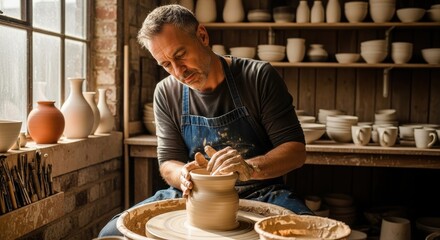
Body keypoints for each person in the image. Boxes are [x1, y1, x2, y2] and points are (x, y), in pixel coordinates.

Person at [98, 4, 313, 237]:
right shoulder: (166, 92)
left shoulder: (258, 77)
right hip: (194, 194)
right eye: (166, 64)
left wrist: (249, 168)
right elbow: (168, 162)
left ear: (202, 36)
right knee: (111, 233)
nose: (179, 71)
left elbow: (295, 151)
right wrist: (183, 176)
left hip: (261, 190)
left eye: (180, 55)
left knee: (309, 233)